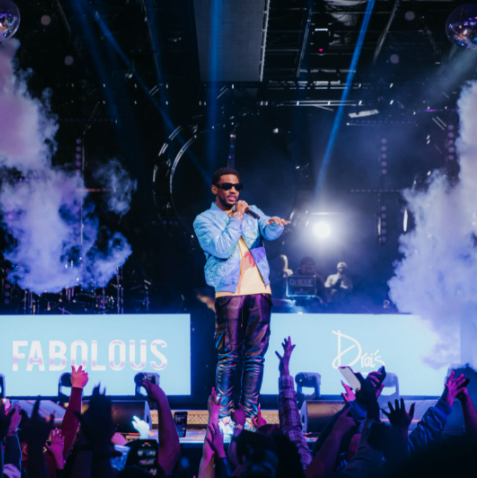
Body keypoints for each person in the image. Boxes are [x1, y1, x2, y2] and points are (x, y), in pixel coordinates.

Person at [193, 167, 290, 434]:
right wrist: (236, 217)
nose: (233, 191)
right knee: (229, 355)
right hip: (229, 291)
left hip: (260, 288)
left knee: (256, 356)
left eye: (237, 186)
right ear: (215, 189)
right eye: (226, 186)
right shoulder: (204, 220)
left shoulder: (252, 211)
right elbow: (222, 248)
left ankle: (248, 415)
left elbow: (268, 232)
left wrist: (274, 226)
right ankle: (224, 416)